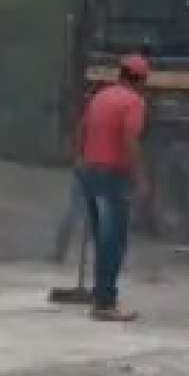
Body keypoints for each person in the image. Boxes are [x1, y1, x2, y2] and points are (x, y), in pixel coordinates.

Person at [75, 53, 151, 321]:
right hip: (112, 175)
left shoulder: (101, 96)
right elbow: (130, 140)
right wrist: (141, 178)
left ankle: (101, 296)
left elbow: (82, 129)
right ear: (141, 80)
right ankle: (105, 302)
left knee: (102, 238)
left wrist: (80, 160)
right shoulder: (134, 102)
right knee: (114, 241)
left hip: (90, 171)